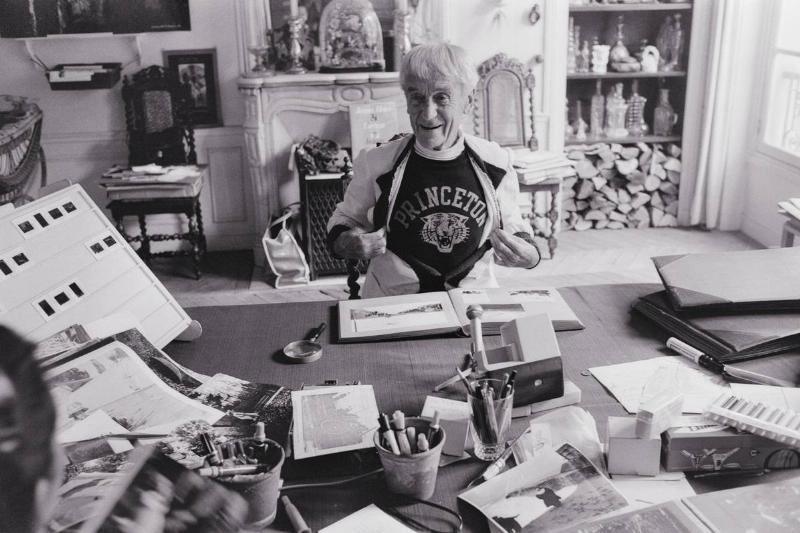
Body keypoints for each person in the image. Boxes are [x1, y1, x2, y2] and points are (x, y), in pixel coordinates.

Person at [327, 43, 540, 298]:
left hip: (473, 300)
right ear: (407, 102)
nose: (427, 115)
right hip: (393, 301)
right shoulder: (376, 162)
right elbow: (344, 220)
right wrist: (346, 243)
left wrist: (530, 254)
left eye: (441, 97)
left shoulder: (496, 162)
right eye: (417, 97)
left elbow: (512, 222)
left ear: (468, 101)